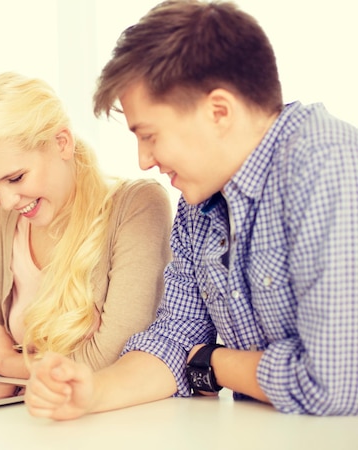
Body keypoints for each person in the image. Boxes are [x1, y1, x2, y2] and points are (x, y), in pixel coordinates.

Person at [25, 0, 358, 419]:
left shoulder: (330, 167)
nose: (144, 160)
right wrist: (92, 393)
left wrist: (216, 364)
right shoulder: (196, 205)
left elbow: (334, 385)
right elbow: (175, 339)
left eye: (149, 135)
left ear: (219, 111)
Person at [0, 72, 172, 386]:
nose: (8, 201)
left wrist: (9, 363)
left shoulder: (137, 207)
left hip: (111, 421)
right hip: (29, 414)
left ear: (62, 143)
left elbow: (116, 355)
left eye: (16, 178)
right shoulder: (3, 220)